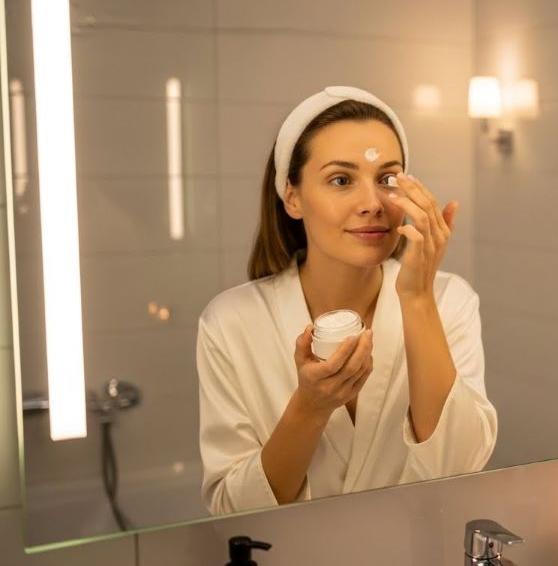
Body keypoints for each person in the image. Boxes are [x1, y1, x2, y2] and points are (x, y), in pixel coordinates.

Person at [197, 87, 497, 515]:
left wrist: (416, 299)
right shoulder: (231, 322)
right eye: (341, 180)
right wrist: (310, 407)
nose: (372, 204)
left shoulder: (449, 301)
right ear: (293, 197)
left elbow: (460, 466)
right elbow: (232, 510)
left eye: (388, 179)